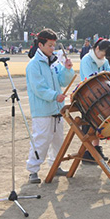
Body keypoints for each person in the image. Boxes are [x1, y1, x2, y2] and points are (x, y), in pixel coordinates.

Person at [25, 28, 74, 183]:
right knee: (41, 141)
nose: (53, 49)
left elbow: (63, 81)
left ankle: (56, 165)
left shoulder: (53, 62)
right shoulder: (33, 65)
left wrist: (67, 69)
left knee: (58, 139)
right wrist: (54, 96)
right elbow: (38, 88)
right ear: (41, 45)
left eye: (54, 45)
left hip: (57, 109)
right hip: (42, 110)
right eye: (50, 45)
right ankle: (33, 170)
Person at [80, 38, 110, 163]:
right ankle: (87, 152)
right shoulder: (86, 60)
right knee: (89, 124)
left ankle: (96, 148)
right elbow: (89, 78)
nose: (103, 57)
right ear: (97, 48)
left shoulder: (103, 61)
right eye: (103, 53)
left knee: (98, 123)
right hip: (88, 96)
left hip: (101, 96)